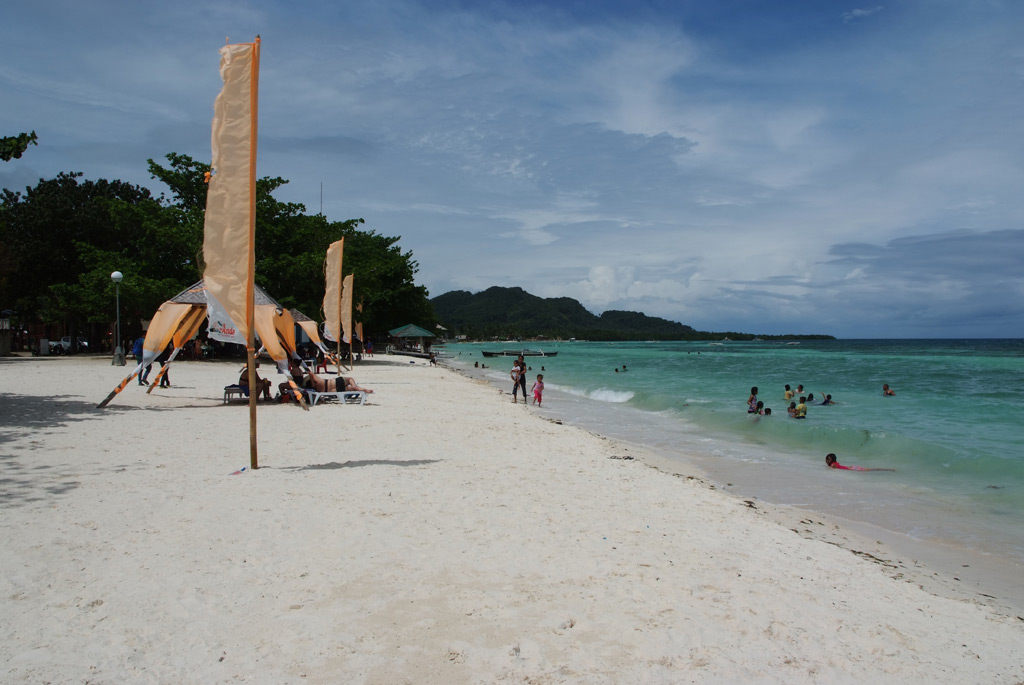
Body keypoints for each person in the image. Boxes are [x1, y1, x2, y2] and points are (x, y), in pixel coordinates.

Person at [825, 453, 895, 472]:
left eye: (829, 459)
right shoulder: (835, 463)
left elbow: (833, 467)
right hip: (851, 468)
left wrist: (829, 468)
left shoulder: (833, 464)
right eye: (827, 459)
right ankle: (889, 470)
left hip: (853, 469)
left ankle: (889, 470)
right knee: (870, 470)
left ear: (832, 459)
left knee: (871, 470)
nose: (828, 460)